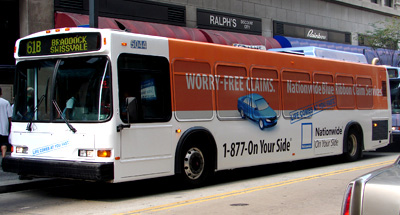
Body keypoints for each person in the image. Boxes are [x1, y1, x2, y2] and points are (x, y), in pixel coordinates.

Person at [0, 87, 12, 158]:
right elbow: (10, 116)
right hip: (3, 127)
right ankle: (3, 157)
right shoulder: (6, 102)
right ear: (1, 93)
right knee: (3, 143)